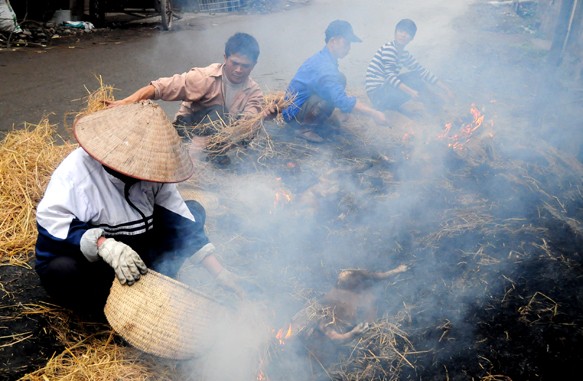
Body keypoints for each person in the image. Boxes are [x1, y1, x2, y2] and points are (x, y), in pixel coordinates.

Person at [35, 101, 244, 319]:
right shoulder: (77, 173)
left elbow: (178, 218)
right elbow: (52, 221)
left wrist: (220, 274)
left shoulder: (155, 167)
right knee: (62, 270)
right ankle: (104, 312)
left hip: (137, 248)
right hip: (96, 263)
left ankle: (155, 283)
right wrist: (104, 246)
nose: (146, 176)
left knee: (194, 211)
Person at [106, 32, 266, 166]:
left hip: (220, 139)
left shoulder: (254, 92)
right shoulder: (204, 77)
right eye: (235, 63)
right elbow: (160, 87)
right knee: (219, 111)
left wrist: (263, 117)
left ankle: (212, 156)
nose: (239, 70)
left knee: (242, 141)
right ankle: (192, 160)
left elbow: (249, 121)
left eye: (245, 66)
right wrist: (126, 101)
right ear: (225, 58)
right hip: (186, 131)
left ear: (254, 65)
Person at [282, 20, 388, 143]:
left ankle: (316, 122)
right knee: (331, 94)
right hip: (293, 114)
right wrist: (373, 113)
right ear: (333, 41)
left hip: (300, 107)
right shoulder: (324, 67)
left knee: (340, 78)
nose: (348, 48)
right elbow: (341, 100)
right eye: (346, 43)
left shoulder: (325, 58)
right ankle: (304, 129)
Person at [365, 18, 453, 117]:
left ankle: (435, 105)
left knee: (417, 75)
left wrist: (445, 88)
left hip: (385, 95)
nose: (403, 35)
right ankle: (435, 107)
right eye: (401, 31)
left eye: (407, 33)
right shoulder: (389, 49)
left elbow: (422, 71)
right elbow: (390, 77)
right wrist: (411, 92)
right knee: (414, 78)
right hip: (378, 95)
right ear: (395, 33)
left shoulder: (404, 54)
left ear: (411, 38)